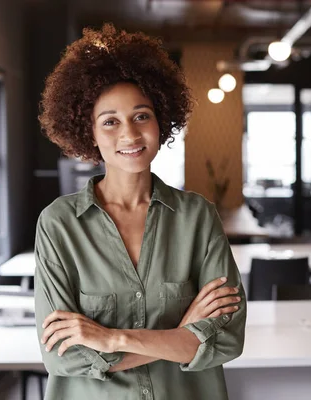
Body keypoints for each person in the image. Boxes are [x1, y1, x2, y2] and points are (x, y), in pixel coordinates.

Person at [34, 23, 246, 400]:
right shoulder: (59, 224)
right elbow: (64, 357)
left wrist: (111, 338)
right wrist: (181, 335)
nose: (130, 135)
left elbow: (226, 339)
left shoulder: (197, 217)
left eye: (142, 115)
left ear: (162, 120)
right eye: (110, 121)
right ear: (89, 133)